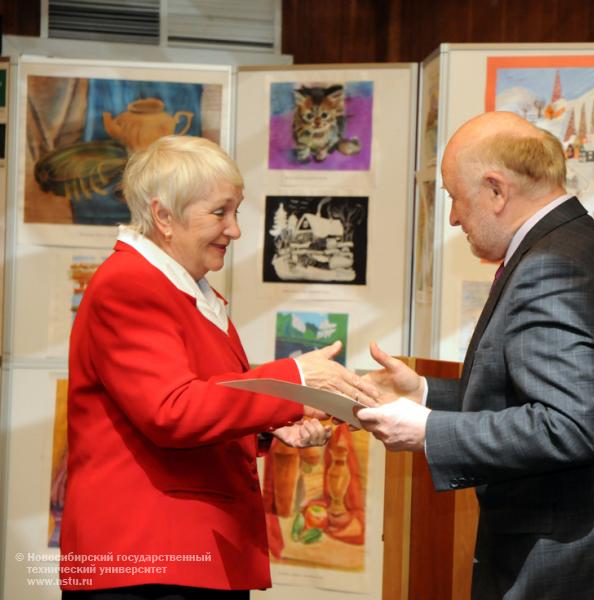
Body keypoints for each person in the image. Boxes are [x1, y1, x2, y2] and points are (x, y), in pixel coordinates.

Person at [356, 112, 594, 599]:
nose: (452, 217)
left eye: (454, 197)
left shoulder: (551, 268)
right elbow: (540, 395)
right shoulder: (578, 243)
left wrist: (427, 430)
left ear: (496, 189)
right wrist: (426, 393)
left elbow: (566, 427)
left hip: (573, 569)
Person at [60, 135, 376, 599]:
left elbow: (200, 400)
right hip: (147, 560)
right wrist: (295, 378)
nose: (235, 230)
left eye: (236, 212)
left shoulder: (185, 289)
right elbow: (172, 411)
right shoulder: (130, 284)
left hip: (180, 558)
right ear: (164, 216)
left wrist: (274, 425)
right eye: (219, 213)